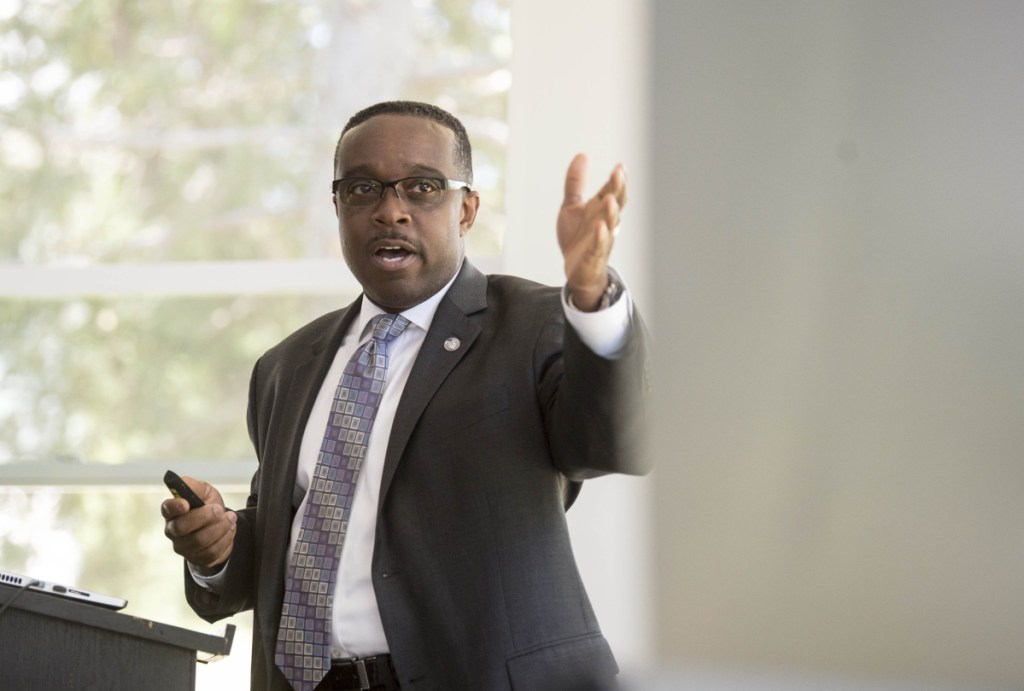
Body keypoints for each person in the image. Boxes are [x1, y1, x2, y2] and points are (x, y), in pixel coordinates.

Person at [161, 100, 651, 691]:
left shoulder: (533, 324)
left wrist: (593, 297)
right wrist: (216, 550)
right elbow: (285, 549)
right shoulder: (285, 366)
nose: (390, 211)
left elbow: (615, 443)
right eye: (363, 189)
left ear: (466, 209)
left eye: (422, 188)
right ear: (337, 207)